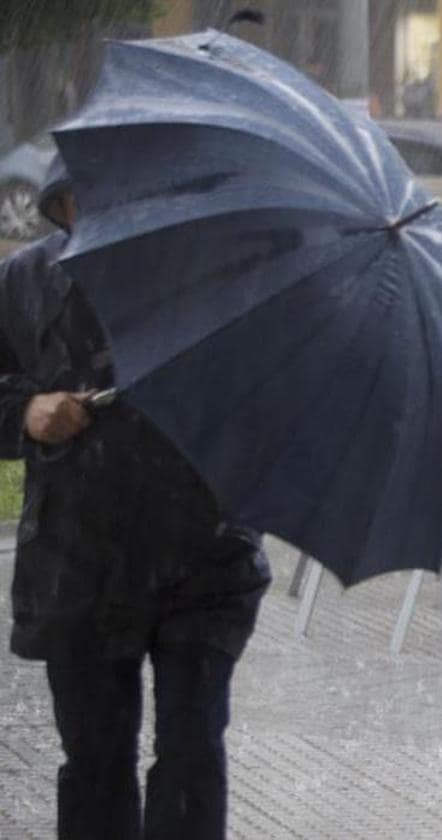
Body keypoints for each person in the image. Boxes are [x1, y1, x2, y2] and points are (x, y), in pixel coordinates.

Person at [0, 159, 271, 839]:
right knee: (94, 764)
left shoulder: (223, 276)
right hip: (77, 562)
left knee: (189, 756)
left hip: (206, 559)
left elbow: (273, 401)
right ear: (62, 207)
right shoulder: (26, 281)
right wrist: (26, 411)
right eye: (81, 207)